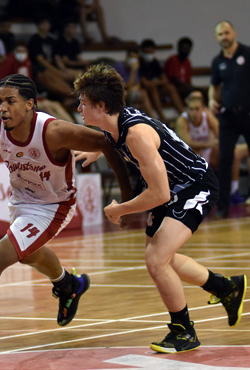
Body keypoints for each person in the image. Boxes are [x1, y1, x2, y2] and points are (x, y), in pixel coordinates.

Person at [0, 73, 133, 349]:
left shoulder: (53, 131)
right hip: (20, 202)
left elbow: (105, 141)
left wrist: (126, 197)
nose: (3, 108)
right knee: (28, 255)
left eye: (10, 101)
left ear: (30, 104)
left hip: (53, 206)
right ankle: (69, 284)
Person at [73, 64, 247, 353]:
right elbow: (115, 143)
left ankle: (184, 331)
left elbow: (159, 192)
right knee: (161, 258)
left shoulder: (136, 135)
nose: (79, 107)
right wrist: (99, 148)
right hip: (173, 190)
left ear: (101, 106)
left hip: (195, 185)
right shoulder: (117, 125)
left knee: (156, 259)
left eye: (84, 102)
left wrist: (121, 210)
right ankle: (226, 288)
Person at [174, 90, 249, 204]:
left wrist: (217, 144)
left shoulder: (207, 116)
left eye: (197, 109)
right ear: (187, 109)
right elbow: (187, 143)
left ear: (203, 108)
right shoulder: (182, 121)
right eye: (191, 109)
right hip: (192, 159)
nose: (194, 112)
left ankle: (233, 191)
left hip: (208, 154)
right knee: (194, 152)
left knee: (233, 152)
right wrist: (209, 144)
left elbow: (222, 133)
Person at [208, 21, 250, 219]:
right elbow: (214, 86)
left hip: (248, 113)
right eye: (220, 34)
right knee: (225, 159)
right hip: (228, 116)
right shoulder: (218, 62)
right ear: (216, 38)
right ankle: (222, 206)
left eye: (226, 32)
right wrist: (211, 100)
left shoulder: (247, 54)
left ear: (234, 32)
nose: (224, 36)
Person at [27, 15, 77, 109]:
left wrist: (64, 70)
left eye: (47, 23)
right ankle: (73, 95)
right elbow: (41, 60)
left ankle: (72, 97)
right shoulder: (35, 40)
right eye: (43, 24)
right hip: (40, 69)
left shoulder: (52, 40)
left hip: (53, 68)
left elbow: (57, 58)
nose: (46, 26)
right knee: (50, 75)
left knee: (75, 74)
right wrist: (58, 73)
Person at [138, 39, 184, 122]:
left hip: (156, 88)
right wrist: (157, 83)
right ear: (142, 52)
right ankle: (162, 118)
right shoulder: (139, 63)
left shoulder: (155, 62)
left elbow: (165, 80)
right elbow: (145, 83)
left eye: (151, 52)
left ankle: (183, 115)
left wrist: (155, 83)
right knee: (153, 89)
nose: (149, 55)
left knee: (170, 87)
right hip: (145, 91)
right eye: (147, 52)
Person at [114, 47, 154, 117]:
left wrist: (133, 88)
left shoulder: (136, 68)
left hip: (130, 92)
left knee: (142, 93)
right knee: (136, 94)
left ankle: (149, 119)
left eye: (135, 58)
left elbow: (137, 84)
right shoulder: (119, 67)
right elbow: (126, 86)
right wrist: (133, 71)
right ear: (127, 57)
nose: (133, 60)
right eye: (131, 57)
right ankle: (152, 118)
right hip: (118, 94)